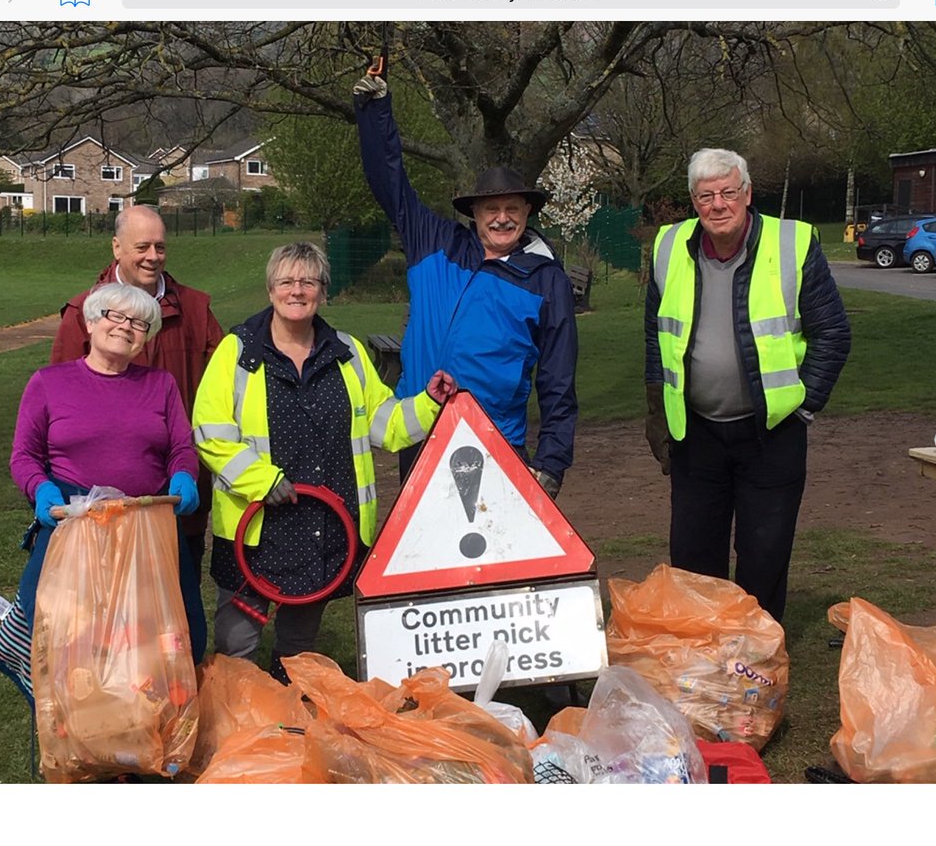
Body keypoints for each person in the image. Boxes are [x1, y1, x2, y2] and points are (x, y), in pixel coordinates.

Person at [192, 242, 457, 681]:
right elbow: (210, 431)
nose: (297, 290)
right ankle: (237, 736)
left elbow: (384, 425)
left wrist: (428, 403)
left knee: (299, 652)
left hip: (326, 529)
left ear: (323, 292)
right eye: (287, 281)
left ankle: (295, 731)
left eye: (308, 282)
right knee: (237, 648)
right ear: (271, 289)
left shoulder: (347, 353)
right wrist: (261, 480)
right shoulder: (237, 351)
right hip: (256, 530)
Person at [643, 148, 851, 622]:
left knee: (764, 555)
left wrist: (805, 405)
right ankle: (705, 659)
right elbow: (656, 335)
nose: (718, 205)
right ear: (694, 201)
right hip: (694, 434)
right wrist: (656, 408)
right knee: (694, 559)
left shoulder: (792, 243)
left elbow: (834, 333)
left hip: (772, 433)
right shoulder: (669, 246)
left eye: (727, 192)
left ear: (748, 193)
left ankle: (756, 660)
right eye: (706, 195)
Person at [353, 70, 577, 498]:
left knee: (488, 560)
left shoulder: (547, 281)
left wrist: (550, 464)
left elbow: (558, 382)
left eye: (513, 208)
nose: (502, 218)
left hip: (494, 442)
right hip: (419, 430)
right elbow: (390, 183)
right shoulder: (434, 244)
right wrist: (374, 110)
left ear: (527, 212)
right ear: (473, 212)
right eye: (491, 208)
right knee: (422, 560)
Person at [0, 283, 207, 705]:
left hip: (145, 527)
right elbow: (24, 456)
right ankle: (74, 731)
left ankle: (146, 729)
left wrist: (183, 476)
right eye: (115, 316)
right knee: (67, 635)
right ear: (91, 322)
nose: (126, 328)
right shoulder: (49, 383)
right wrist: (41, 489)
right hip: (75, 528)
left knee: (154, 635)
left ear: (148, 336)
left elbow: (181, 447)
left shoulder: (159, 385)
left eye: (140, 323)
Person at [51, 204, 224, 571]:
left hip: (175, 497)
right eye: (141, 247)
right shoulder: (82, 313)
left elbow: (225, 386)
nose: (153, 257)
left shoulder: (195, 309)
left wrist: (189, 470)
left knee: (173, 614)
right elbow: (57, 402)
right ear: (117, 247)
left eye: (160, 247)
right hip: (97, 504)